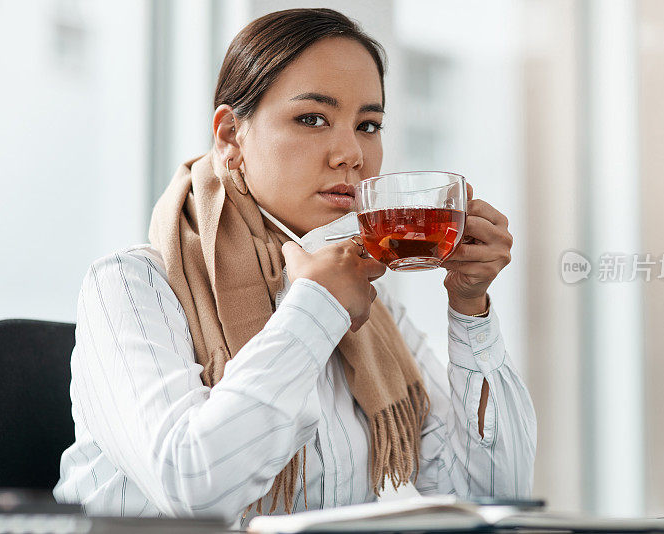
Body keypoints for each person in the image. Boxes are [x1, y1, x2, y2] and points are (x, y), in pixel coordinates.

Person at [53, 7, 536, 530]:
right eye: (312, 119)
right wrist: (316, 310)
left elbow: (492, 495)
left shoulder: (370, 303)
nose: (351, 153)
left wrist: (470, 308)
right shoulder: (129, 285)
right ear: (230, 138)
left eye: (368, 125)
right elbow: (193, 488)